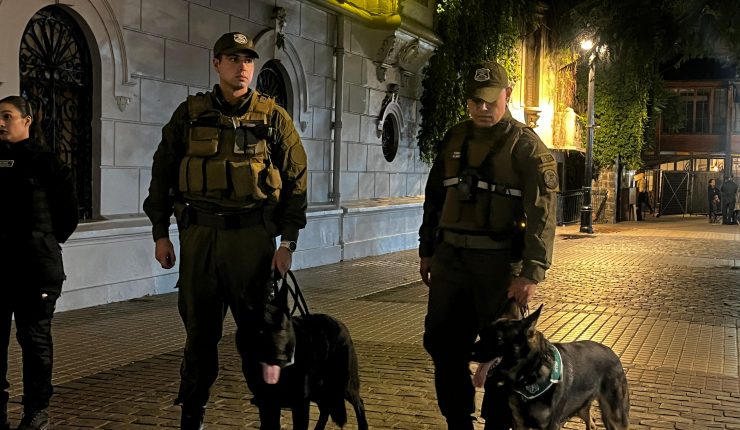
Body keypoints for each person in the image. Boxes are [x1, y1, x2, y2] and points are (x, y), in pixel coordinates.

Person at [143, 32, 307, 429]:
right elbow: (162, 173)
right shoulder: (189, 114)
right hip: (200, 238)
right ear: (216, 63)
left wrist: (287, 242)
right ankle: (192, 415)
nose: (242, 67)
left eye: (248, 60)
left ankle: (269, 416)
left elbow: (297, 179)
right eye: (233, 59)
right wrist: (160, 233)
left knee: (259, 336)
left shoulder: (273, 117)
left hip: (251, 241)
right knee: (199, 337)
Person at [418, 61, 557, 430]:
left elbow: (542, 213)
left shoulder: (525, 146)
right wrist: (427, 250)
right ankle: (457, 420)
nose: (482, 108)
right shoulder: (454, 138)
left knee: (505, 353)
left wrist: (531, 272)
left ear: (507, 95)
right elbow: (434, 199)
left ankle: (498, 423)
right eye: (475, 101)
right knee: (444, 345)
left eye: (490, 100)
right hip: (450, 262)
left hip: (499, 268)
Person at [0, 96, 78, 430]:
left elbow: (67, 217)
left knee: (34, 339)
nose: (0, 123)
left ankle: (36, 411)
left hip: (36, 268)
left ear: (27, 121)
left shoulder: (47, 162)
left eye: (7, 116)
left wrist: (40, 241)